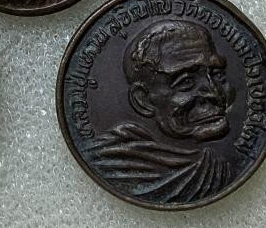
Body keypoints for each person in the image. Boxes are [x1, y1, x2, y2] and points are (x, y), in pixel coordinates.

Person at [88, 20, 235, 204]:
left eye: (217, 75)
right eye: (186, 82)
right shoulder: (110, 161)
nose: (214, 93)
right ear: (143, 100)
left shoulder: (218, 167)